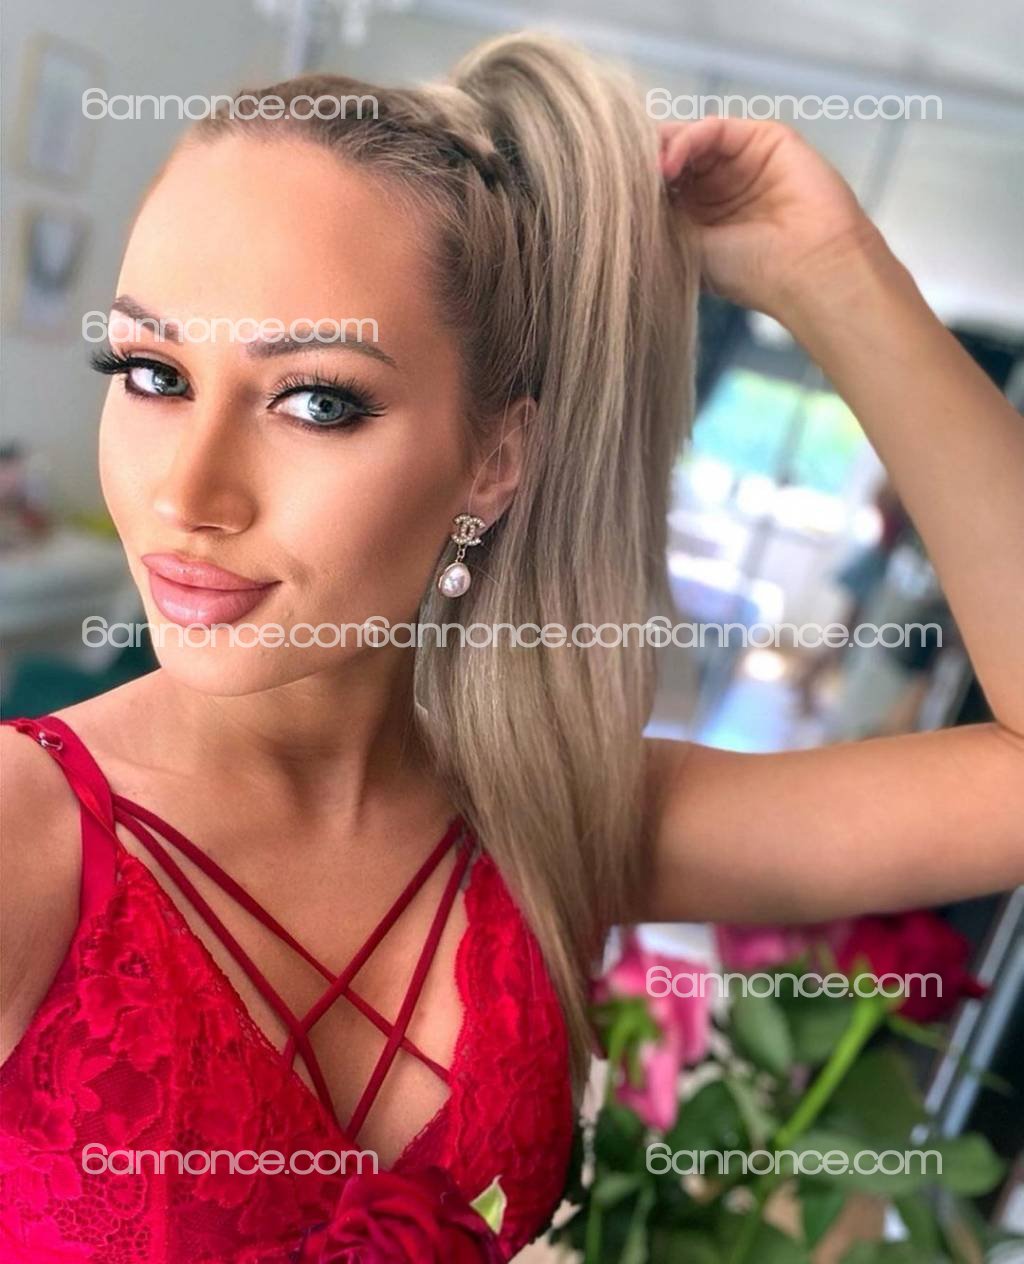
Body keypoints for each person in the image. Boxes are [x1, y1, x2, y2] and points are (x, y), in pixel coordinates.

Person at [2, 31, 1022, 1264]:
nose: (187, 494)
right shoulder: (25, 834)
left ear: (496, 458)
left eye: (316, 399)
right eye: (151, 371)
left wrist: (834, 274)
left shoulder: (553, 819)